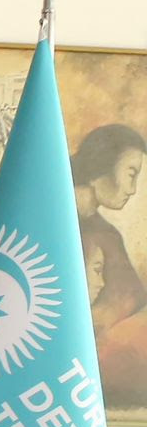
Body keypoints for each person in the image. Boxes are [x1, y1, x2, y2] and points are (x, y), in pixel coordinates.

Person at [71, 123, 147, 329]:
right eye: (131, 174)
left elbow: (132, 295)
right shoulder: (44, 211)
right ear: (100, 165)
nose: (132, 190)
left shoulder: (107, 236)